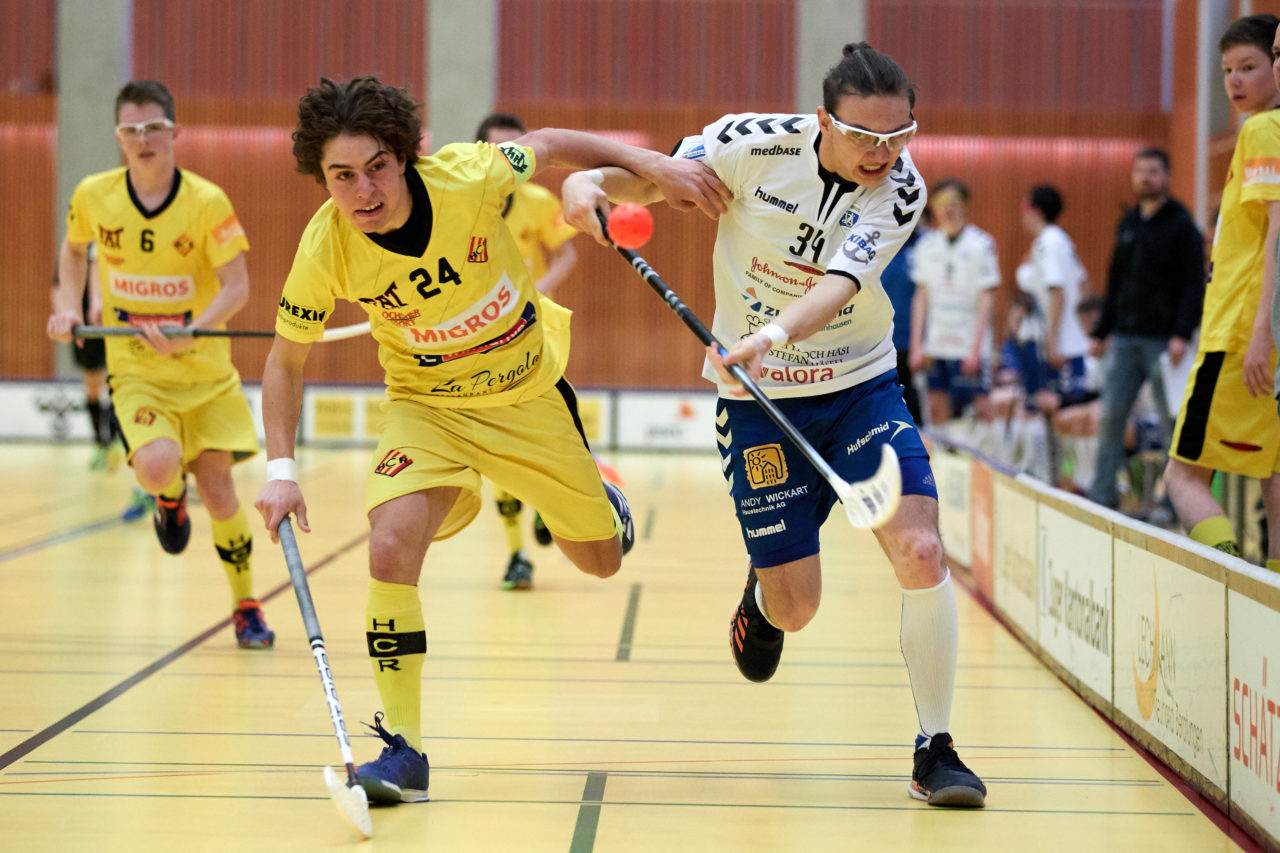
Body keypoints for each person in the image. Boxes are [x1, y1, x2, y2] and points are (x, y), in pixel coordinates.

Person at [254, 77, 729, 805]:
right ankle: (405, 751)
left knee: (598, 561)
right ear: (322, 180)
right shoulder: (327, 244)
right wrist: (281, 468)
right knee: (389, 545)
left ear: (407, 155)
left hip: (526, 395)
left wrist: (658, 169)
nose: (363, 190)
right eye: (341, 176)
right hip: (427, 407)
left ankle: (603, 497)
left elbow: (553, 144)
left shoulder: (469, 176)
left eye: (376, 166)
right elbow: (286, 360)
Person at [563, 42, 986, 807]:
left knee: (921, 549)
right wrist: (590, 181)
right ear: (823, 119)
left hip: (859, 384)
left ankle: (937, 747)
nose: (883, 154)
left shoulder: (903, 188)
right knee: (797, 606)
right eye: (865, 136)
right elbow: (657, 178)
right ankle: (761, 599)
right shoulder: (749, 143)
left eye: (900, 136)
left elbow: (840, 284)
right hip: (756, 404)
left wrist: (769, 337)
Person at [46, 80, 274, 649]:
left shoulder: (207, 201)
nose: (142, 139)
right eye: (130, 130)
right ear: (117, 137)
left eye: (152, 128)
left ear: (175, 132)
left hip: (205, 373)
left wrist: (192, 329)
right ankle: (168, 497)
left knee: (221, 493)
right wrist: (67, 308)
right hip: (138, 372)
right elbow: (74, 249)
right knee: (155, 465)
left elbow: (238, 287)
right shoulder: (94, 195)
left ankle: (246, 604)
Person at [1168, 14, 1280, 561]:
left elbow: (1277, 233)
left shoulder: (1262, 130)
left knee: (1181, 478)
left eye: (1251, 67)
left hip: (1237, 334)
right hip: (1259, 331)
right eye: (1227, 71)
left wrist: (1259, 330)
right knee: (1274, 475)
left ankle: (1232, 579)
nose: (1235, 82)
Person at [475, 112, 581, 590]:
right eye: (496, 151)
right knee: (498, 444)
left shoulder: (539, 201)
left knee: (547, 423)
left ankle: (548, 502)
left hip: (534, 331)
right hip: (478, 340)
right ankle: (517, 553)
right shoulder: (463, 204)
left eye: (514, 152)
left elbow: (566, 253)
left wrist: (536, 291)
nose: (506, 161)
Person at [1088, 148, 1203, 509]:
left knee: (1172, 423)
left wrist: (1182, 333)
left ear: (1166, 177)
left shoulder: (1183, 226)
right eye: (1140, 171)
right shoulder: (1129, 223)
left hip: (1166, 341)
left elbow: (1193, 285)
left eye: (1153, 171)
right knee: (1111, 417)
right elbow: (1115, 280)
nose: (1145, 178)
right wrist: (1101, 332)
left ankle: (1175, 501)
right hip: (1124, 338)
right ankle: (1102, 495)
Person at [908, 179, 1000, 447]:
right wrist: (916, 346)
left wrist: (976, 349)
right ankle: (944, 473)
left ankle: (991, 470)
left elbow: (987, 298)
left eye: (953, 203)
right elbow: (921, 297)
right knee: (936, 409)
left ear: (965, 205)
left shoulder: (982, 243)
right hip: (936, 344)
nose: (947, 210)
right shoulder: (926, 245)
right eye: (940, 204)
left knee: (983, 408)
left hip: (969, 346)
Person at [1013, 184, 1090, 482]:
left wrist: (1053, 340)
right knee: (1046, 415)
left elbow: (1057, 292)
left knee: (1060, 417)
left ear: (1033, 209)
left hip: (1060, 348)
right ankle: (1057, 481)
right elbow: (1083, 286)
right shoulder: (1055, 242)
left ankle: (1066, 482)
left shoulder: (1050, 242)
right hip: (1060, 342)